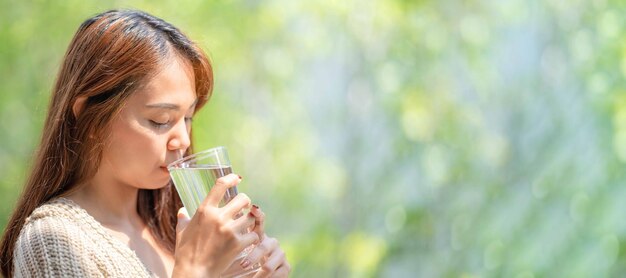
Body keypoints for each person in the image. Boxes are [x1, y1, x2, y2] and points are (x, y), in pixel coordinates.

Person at [0, 9, 290, 277]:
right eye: (160, 120)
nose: (183, 140)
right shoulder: (52, 241)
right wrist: (195, 270)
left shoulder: (172, 231)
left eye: (188, 117)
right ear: (89, 117)